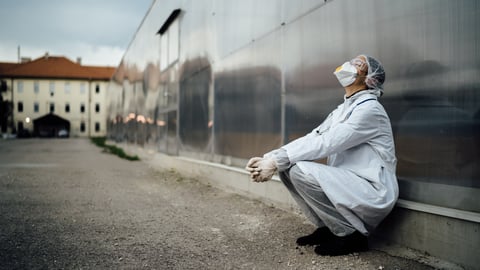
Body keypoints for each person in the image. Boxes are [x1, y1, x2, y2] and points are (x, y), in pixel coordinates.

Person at [245, 55, 398, 256]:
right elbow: (313, 137)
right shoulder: (343, 109)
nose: (350, 65)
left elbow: (328, 142)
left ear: (370, 78)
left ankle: (352, 235)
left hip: (371, 187)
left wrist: (275, 161)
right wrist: (270, 158)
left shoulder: (370, 110)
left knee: (297, 169)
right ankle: (329, 228)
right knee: (287, 167)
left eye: (358, 65)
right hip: (350, 182)